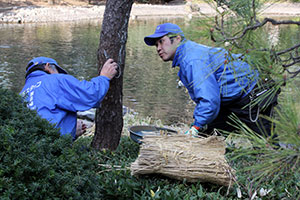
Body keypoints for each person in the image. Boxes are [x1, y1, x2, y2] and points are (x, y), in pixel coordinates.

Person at [144, 23, 279, 137]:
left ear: (178, 39)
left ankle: (279, 165)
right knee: (206, 135)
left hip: (253, 91)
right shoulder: (187, 55)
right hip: (233, 96)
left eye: (162, 41)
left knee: (264, 144)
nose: (159, 48)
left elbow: (209, 99)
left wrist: (195, 127)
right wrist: (198, 126)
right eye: (156, 45)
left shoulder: (192, 60)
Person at [20, 56, 117, 140]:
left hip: (27, 151)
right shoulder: (55, 80)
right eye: (58, 71)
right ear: (48, 66)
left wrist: (71, 131)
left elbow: (44, 115)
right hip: (49, 150)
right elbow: (90, 94)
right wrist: (104, 77)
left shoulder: (22, 93)